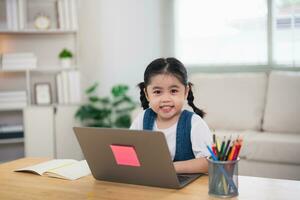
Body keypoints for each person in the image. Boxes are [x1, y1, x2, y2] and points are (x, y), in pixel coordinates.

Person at [130, 57, 212, 174]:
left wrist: (168, 168)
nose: (166, 99)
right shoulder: (142, 119)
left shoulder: (194, 122)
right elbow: (130, 152)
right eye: (157, 92)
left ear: (186, 92)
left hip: (187, 188)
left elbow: (208, 162)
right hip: (151, 183)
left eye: (173, 91)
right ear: (147, 94)